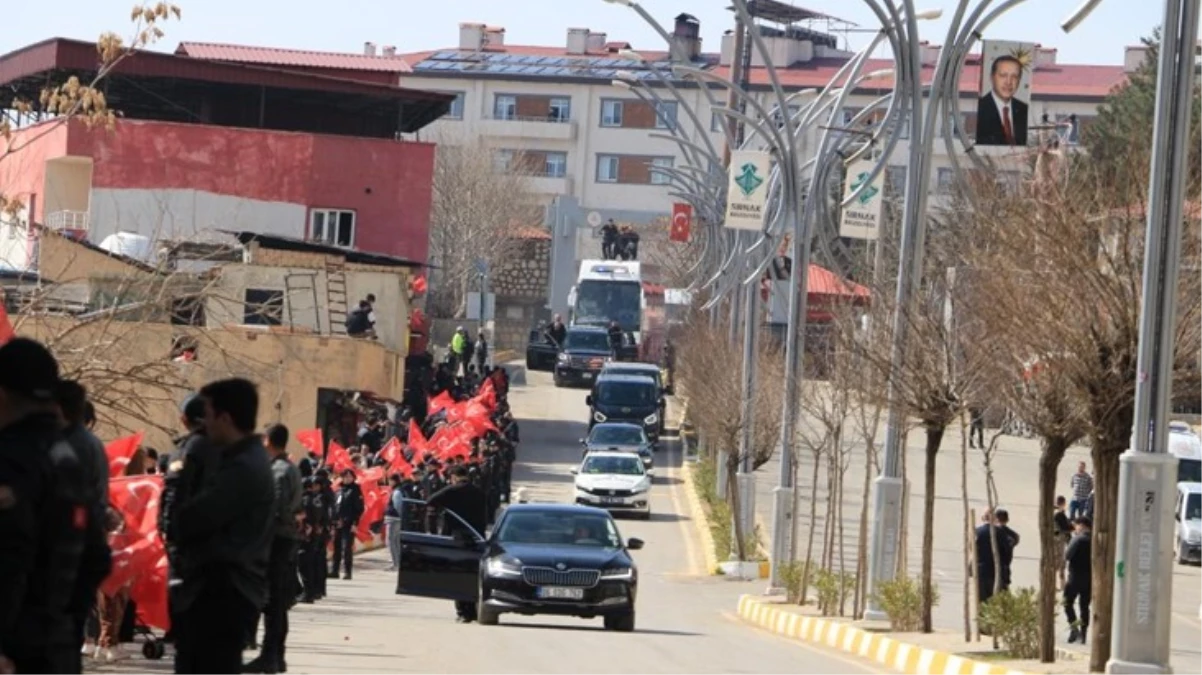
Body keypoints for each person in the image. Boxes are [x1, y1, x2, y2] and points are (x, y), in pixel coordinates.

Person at [0, 338, 105, 675]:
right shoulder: (69, 456)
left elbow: (9, 557)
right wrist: (63, 622)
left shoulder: (11, 458)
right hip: (56, 646)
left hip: (15, 651)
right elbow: (96, 557)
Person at [169, 378, 274, 675]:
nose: (206, 424)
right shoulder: (238, 460)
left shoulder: (243, 467)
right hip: (217, 590)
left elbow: (191, 519)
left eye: (210, 416)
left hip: (223, 594)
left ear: (225, 418)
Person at [244, 424, 302, 674]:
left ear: (268, 440)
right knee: (278, 600)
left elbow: (274, 508)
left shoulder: (279, 470)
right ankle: (276, 656)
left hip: (274, 539)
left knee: (271, 600)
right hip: (284, 538)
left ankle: (270, 656)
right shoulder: (289, 468)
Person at [426, 466, 488, 623]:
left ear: (454, 477)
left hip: (458, 537)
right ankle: (473, 612)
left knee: (458, 575)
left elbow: (430, 501)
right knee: (473, 575)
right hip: (477, 538)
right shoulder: (479, 492)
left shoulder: (452, 491)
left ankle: (462, 612)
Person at [975, 54, 1029, 147]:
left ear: (1019, 81)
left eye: (1014, 77)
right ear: (992, 77)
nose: (1008, 82)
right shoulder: (979, 108)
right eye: (1003, 75)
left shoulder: (1024, 110)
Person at [330, 469, 364, 580]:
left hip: (349, 523)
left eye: (350, 476)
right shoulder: (339, 490)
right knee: (337, 547)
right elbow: (335, 506)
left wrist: (355, 523)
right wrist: (334, 521)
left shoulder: (355, 490)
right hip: (338, 523)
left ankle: (347, 572)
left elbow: (359, 509)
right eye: (345, 476)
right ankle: (335, 570)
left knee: (346, 548)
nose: (347, 478)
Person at [1064, 516, 1092, 644]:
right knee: (1084, 606)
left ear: (1082, 525)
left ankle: (1074, 627)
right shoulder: (1094, 539)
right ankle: (1084, 634)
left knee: (1067, 602)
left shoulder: (1078, 539)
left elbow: (1067, 556)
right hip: (1089, 578)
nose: (1075, 528)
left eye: (1076, 526)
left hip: (1075, 577)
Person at [384, 474, 406, 572]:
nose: (389, 482)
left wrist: (399, 517)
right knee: (395, 541)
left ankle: (395, 563)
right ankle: (397, 562)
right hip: (393, 519)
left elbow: (398, 507)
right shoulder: (397, 491)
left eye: (390, 480)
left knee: (391, 541)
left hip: (393, 519)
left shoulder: (397, 492)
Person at [1053, 495, 1072, 590]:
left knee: (1061, 561)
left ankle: (1062, 584)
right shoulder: (1059, 514)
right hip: (1059, 540)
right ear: (1063, 503)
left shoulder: (1056, 513)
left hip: (1057, 540)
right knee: (1059, 561)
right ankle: (1060, 584)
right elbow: (1065, 527)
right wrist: (1074, 527)